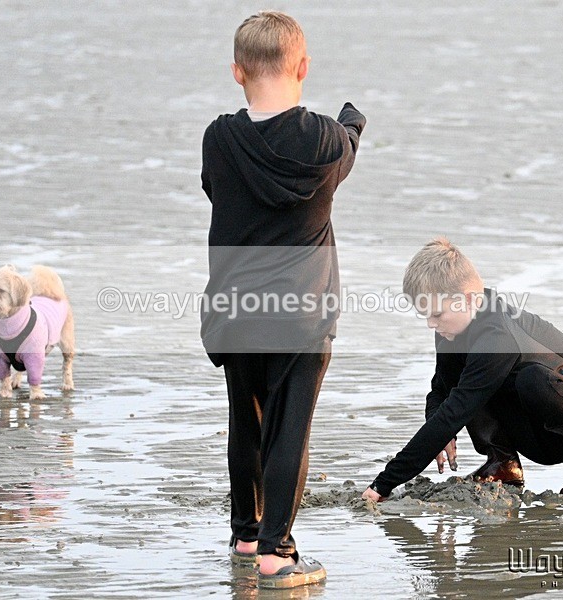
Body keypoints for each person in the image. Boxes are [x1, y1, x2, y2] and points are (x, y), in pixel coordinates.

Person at [200, 11, 366, 589]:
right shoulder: (324, 138)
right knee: (288, 429)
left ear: (237, 72)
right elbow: (345, 151)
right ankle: (277, 554)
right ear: (303, 67)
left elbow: (215, 189)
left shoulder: (219, 137)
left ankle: (246, 538)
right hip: (301, 313)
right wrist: (353, 123)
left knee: (245, 424)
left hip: (234, 308)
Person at [362, 238, 563, 502]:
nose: (431, 324)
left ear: (468, 300)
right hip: (531, 425)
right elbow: (441, 390)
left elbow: (458, 408)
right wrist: (442, 433)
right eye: (425, 316)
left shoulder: (497, 336)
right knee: (469, 381)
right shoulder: (453, 330)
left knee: (529, 379)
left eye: (437, 314)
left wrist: (383, 484)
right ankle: (503, 463)